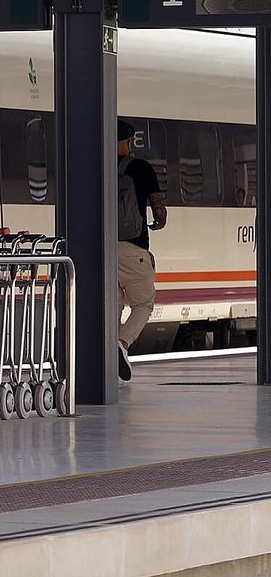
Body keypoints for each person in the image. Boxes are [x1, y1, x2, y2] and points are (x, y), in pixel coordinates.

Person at [116, 120, 165, 384]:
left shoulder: (93, 164)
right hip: (133, 249)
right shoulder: (141, 168)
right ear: (127, 142)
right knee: (143, 303)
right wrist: (157, 219)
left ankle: (106, 351)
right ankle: (121, 344)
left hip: (99, 251)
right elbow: (159, 212)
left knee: (109, 306)